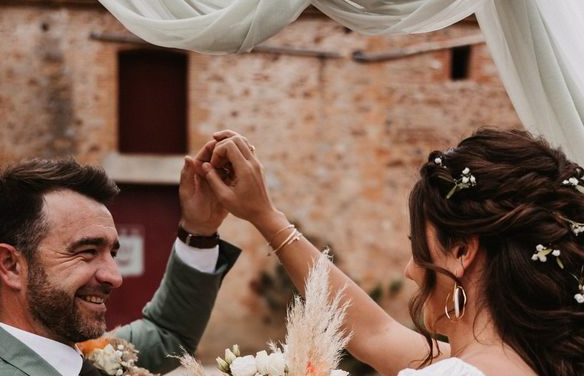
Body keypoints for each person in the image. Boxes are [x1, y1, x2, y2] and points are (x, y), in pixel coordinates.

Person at [198, 129, 584, 376]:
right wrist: (265, 216)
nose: (409, 270)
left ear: (463, 250)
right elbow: (374, 333)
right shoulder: (532, 364)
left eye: (418, 248)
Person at [0, 142, 240, 376]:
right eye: (87, 252)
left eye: (112, 253)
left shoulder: (59, 348)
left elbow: (168, 333)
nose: (115, 277)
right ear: (10, 265)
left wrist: (199, 230)